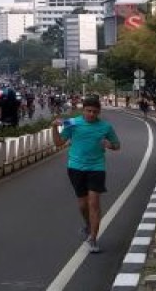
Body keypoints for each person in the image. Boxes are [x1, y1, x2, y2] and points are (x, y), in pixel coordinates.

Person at [52, 95, 120, 254]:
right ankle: (89, 225)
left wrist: (109, 144)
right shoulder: (73, 123)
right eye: (88, 111)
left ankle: (93, 238)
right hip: (75, 167)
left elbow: (117, 145)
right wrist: (54, 127)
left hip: (97, 168)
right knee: (83, 205)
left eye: (95, 112)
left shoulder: (106, 127)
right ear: (83, 110)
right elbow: (58, 143)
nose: (91, 114)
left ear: (99, 112)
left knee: (94, 203)